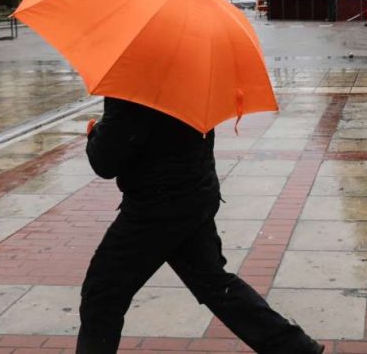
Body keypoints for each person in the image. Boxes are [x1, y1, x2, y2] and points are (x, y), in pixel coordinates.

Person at [77, 97, 324, 354]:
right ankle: (297, 349)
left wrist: (95, 133)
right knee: (215, 285)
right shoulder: (193, 71)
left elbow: (105, 162)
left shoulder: (130, 83)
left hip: (156, 208)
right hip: (195, 194)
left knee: (102, 295)